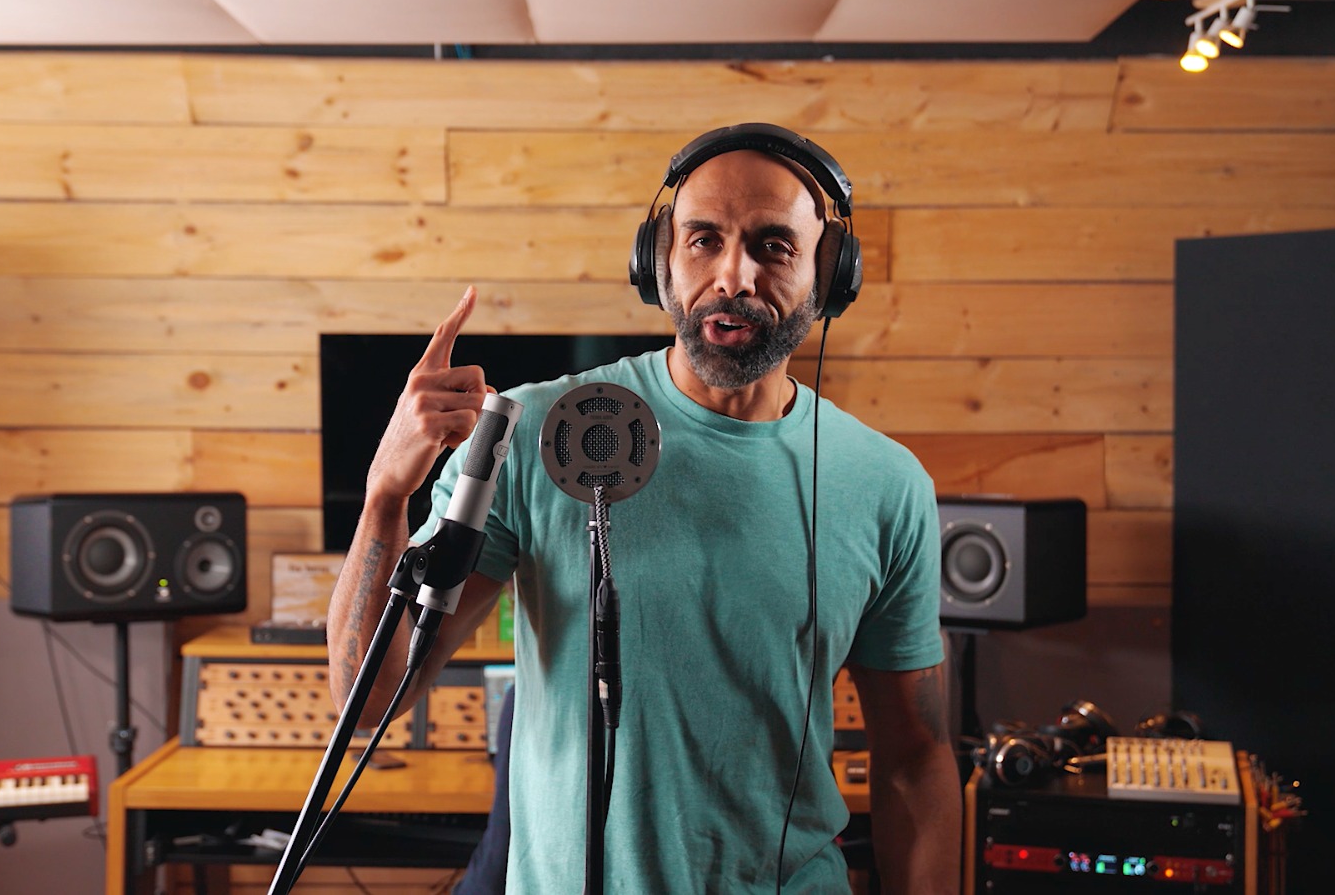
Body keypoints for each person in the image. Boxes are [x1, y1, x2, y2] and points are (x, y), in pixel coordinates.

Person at [327, 125, 960, 893]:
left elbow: (915, 759)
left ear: (830, 275)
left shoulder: (885, 484)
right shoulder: (533, 436)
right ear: (657, 260)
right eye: (704, 240)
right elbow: (367, 700)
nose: (733, 276)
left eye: (773, 246)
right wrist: (385, 495)